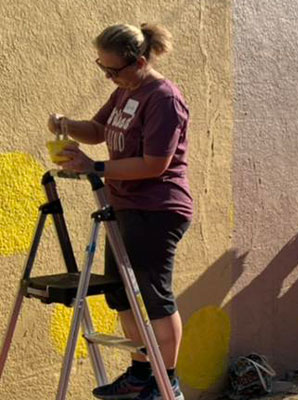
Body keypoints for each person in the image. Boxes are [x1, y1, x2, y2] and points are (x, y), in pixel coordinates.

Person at [49, 24, 191, 400]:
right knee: (121, 295)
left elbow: (154, 164)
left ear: (141, 62)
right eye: (103, 68)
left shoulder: (163, 99)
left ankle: (166, 380)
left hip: (157, 209)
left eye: (113, 71)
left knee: (154, 295)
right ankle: (142, 372)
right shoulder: (126, 90)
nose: (109, 77)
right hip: (124, 207)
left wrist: (94, 168)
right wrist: (66, 125)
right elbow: (97, 129)